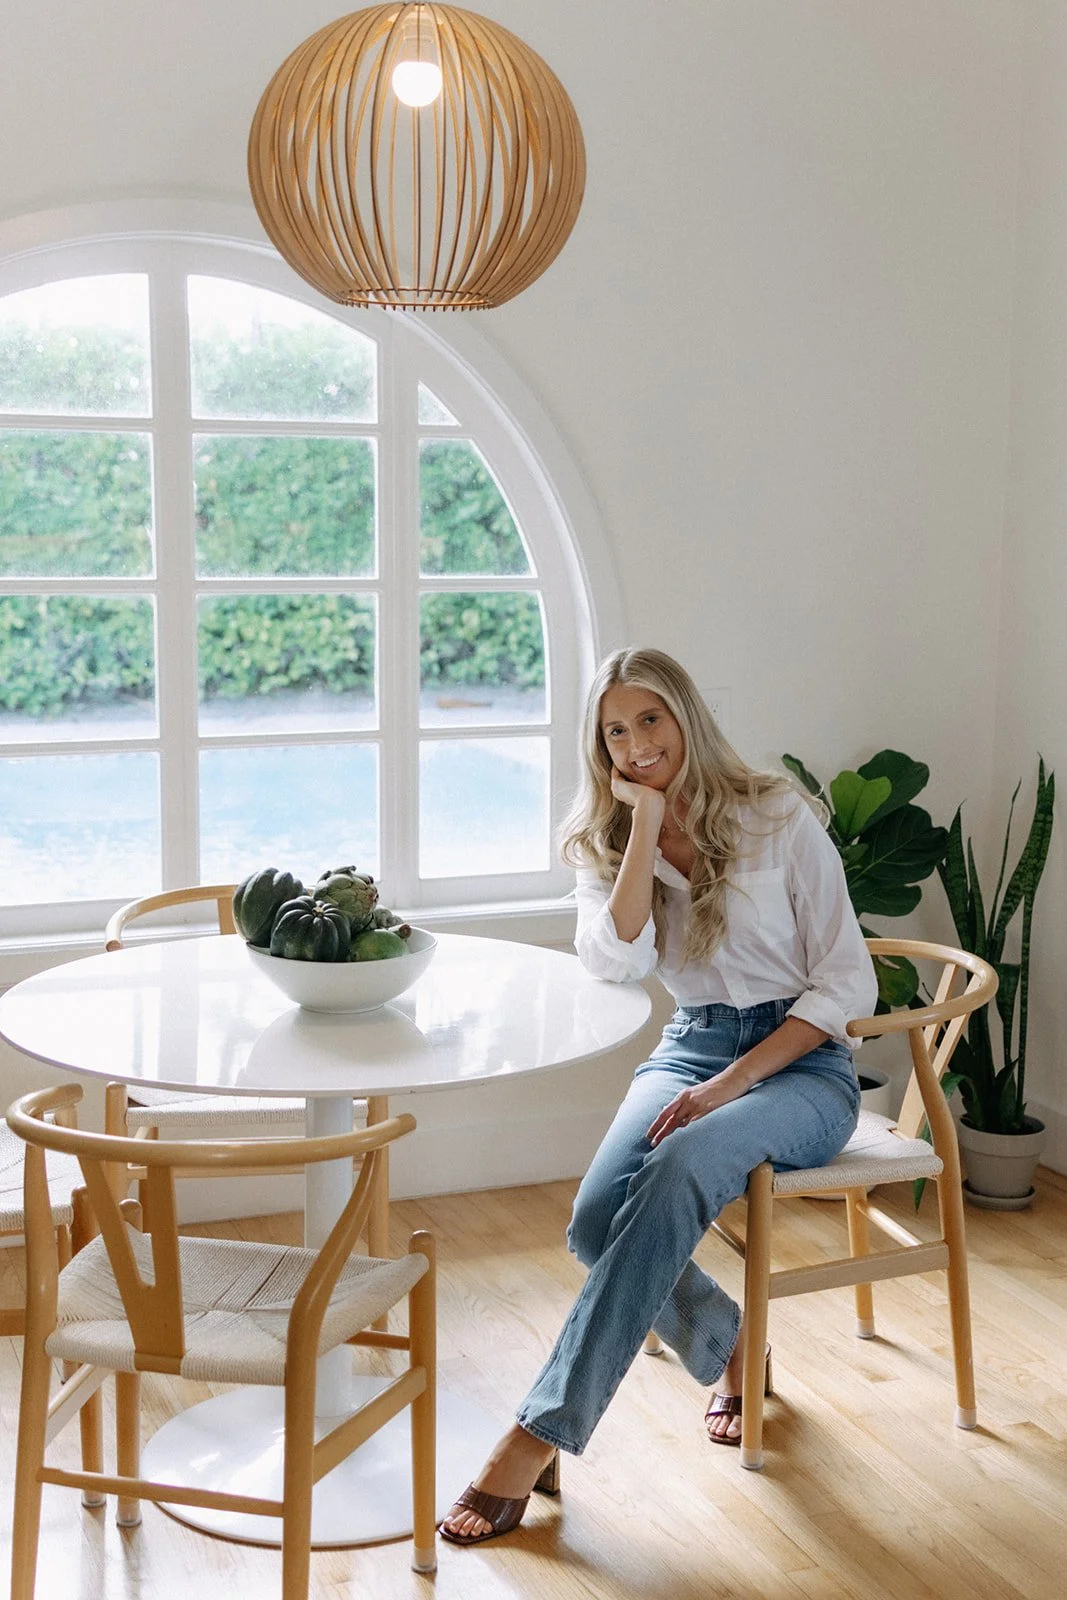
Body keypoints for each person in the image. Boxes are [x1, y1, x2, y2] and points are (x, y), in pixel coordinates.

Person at [439, 646, 877, 1546]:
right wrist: (641, 828)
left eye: (650, 720)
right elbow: (617, 960)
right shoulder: (603, 841)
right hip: (690, 1045)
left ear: (684, 717)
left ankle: (533, 1436)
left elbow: (844, 985)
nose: (636, 745)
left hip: (799, 1066)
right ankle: (727, 1346)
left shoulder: (775, 814)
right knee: (596, 1217)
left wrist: (734, 1082)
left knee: (676, 1165)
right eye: (614, 732)